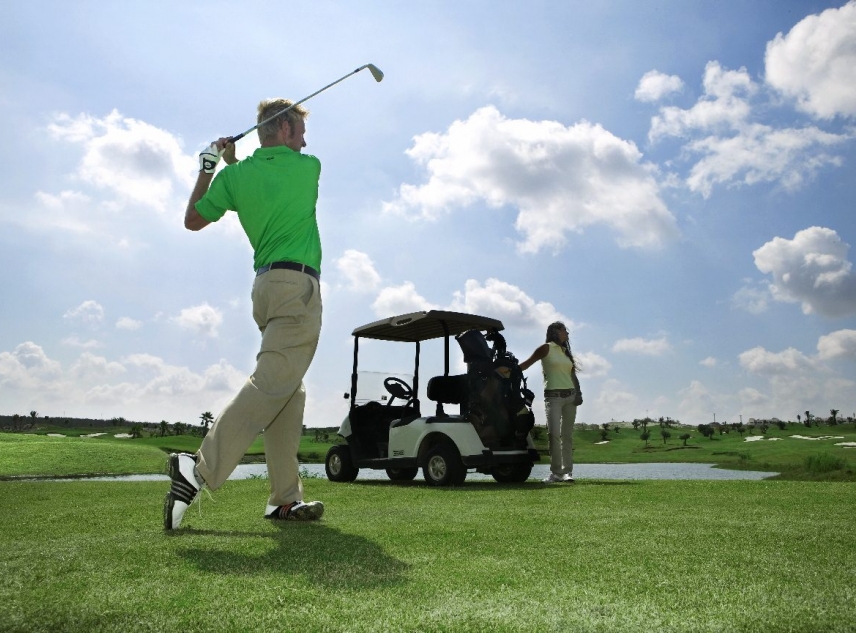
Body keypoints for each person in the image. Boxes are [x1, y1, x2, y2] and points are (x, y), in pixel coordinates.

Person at [164, 98, 325, 530]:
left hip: (266, 290)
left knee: (288, 391)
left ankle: (284, 500)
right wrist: (236, 164)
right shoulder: (308, 167)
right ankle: (198, 469)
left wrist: (211, 166)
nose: (305, 142)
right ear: (286, 129)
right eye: (301, 132)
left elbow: (193, 219)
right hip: (296, 288)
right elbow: (276, 176)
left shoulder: (235, 177)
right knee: (272, 383)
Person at [519, 322, 582, 483]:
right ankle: (556, 473)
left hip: (570, 397)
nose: (567, 333)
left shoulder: (565, 351)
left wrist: (579, 393)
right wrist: (508, 370)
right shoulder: (545, 348)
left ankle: (567, 472)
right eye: (564, 330)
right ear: (555, 332)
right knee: (553, 434)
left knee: (567, 436)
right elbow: (526, 364)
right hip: (553, 397)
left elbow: (572, 375)